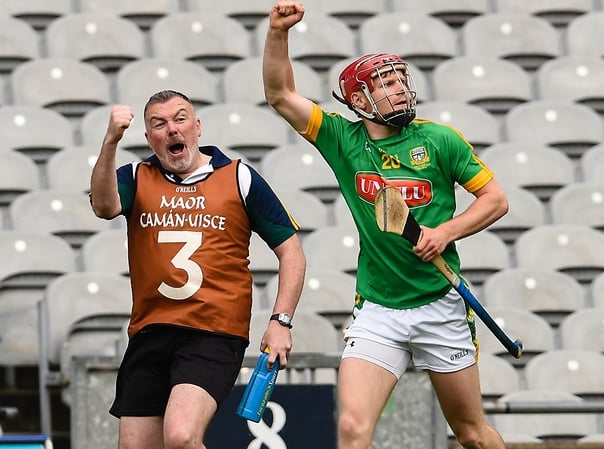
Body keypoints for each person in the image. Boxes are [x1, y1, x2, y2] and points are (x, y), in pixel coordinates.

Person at [262, 2, 510, 448]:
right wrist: (279, 31)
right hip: (379, 309)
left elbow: (496, 200)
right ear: (359, 101)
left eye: (401, 81)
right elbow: (280, 95)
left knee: (471, 434)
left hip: (440, 304)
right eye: (387, 83)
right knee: (353, 429)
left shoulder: (439, 140)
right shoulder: (342, 139)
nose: (400, 89)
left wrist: (444, 233)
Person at [89, 89, 306, 449]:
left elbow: (292, 252)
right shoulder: (135, 176)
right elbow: (104, 206)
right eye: (159, 124)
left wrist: (280, 321)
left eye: (180, 118)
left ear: (197, 126)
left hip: (213, 331)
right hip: (150, 331)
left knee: (180, 435)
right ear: (149, 139)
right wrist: (111, 140)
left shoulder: (239, 177)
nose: (172, 129)